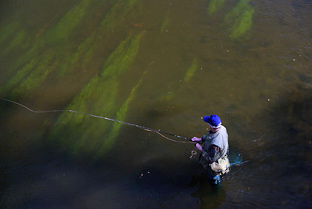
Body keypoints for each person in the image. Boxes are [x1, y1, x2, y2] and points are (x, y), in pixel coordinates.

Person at [192, 115, 230, 185]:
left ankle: (216, 188)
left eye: (208, 124)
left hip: (215, 164)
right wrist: (199, 139)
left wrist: (200, 150)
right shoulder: (222, 128)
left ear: (212, 127)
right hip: (222, 155)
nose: (208, 125)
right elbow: (210, 136)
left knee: (212, 179)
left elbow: (211, 159)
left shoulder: (215, 146)